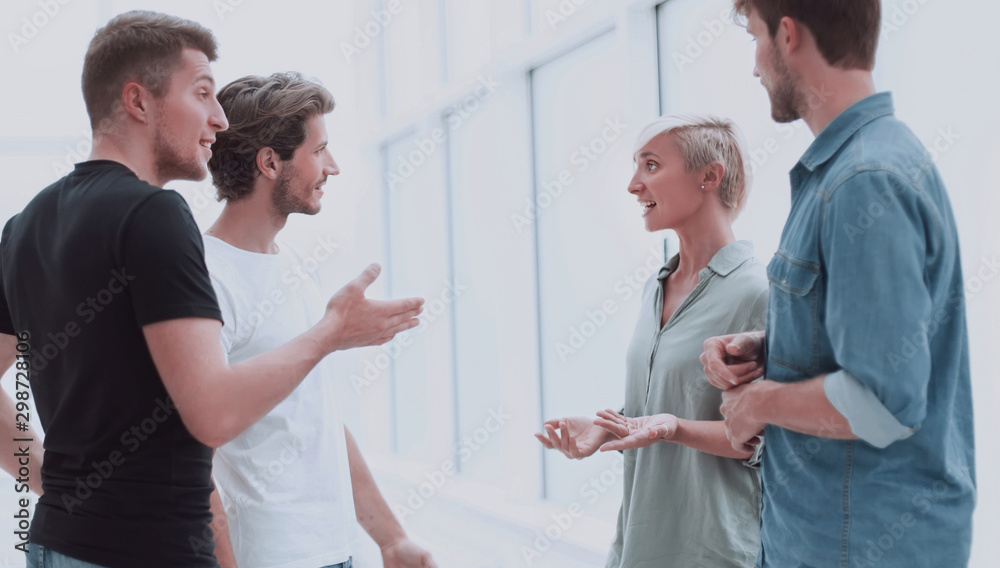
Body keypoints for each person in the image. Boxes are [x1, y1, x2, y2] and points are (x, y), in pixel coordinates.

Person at [0, 11, 422, 568]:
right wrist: (330, 334)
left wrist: (51, 476)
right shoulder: (155, 214)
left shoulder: (25, 223)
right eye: (202, 93)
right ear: (138, 101)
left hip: (57, 544)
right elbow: (211, 416)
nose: (218, 119)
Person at [701, 2, 976, 567]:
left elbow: (882, 402)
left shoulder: (863, 183)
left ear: (788, 34)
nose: (755, 65)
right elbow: (866, 348)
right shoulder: (860, 165)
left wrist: (759, 401)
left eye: (755, 38)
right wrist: (771, 348)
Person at [203, 72, 437, 568]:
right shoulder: (206, 276)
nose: (333, 167)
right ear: (270, 162)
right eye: (320, 150)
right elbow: (189, 456)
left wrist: (392, 539)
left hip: (332, 553)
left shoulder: (290, 267)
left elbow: (318, 421)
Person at [536, 113, 768, 567]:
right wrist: (603, 428)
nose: (633, 185)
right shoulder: (655, 288)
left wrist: (673, 428)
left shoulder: (756, 293)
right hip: (638, 547)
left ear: (710, 176)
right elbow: (670, 400)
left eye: (652, 165)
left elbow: (761, 441)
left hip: (713, 553)